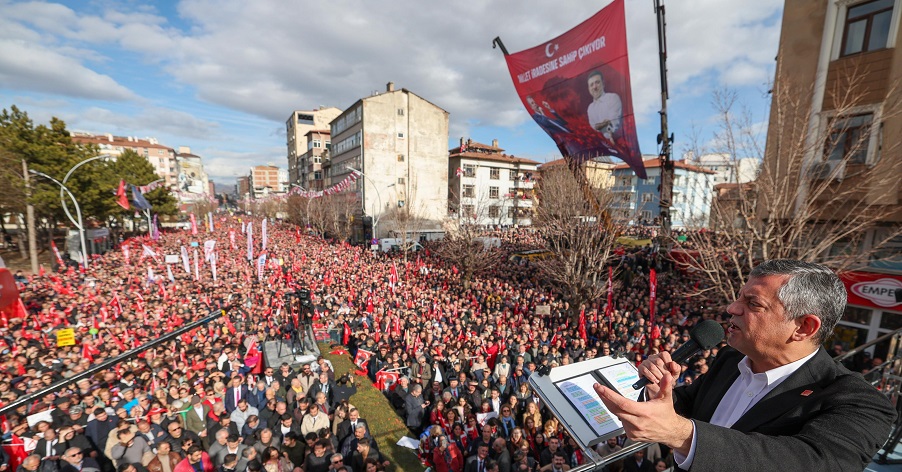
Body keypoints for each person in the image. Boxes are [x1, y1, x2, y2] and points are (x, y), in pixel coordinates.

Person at [594, 259, 898, 472]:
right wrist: (658, 391)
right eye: (740, 297)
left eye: (754, 304)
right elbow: (683, 408)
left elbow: (809, 463)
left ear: (804, 327)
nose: (731, 308)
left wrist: (681, 434)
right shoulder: (730, 360)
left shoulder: (860, 404)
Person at [585, 70, 621, 141]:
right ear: (589, 89)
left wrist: (600, 126)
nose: (594, 87)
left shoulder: (613, 98)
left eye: (597, 82)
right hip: (600, 145)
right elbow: (594, 128)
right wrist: (604, 124)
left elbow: (613, 123)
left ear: (603, 84)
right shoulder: (590, 108)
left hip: (618, 142)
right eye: (591, 85)